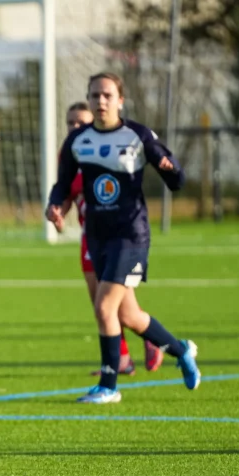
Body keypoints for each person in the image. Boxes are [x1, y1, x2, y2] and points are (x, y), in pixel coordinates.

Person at [46, 73, 200, 404]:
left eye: (107, 95)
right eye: (94, 95)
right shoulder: (77, 141)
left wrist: (169, 167)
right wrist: (55, 205)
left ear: (120, 100)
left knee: (104, 307)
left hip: (130, 235)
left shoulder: (137, 135)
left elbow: (177, 181)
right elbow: (63, 184)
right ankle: (181, 350)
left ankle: (109, 385)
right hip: (97, 236)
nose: (100, 101)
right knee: (129, 316)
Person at [62, 101, 163, 375]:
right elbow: (67, 192)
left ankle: (159, 342)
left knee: (118, 309)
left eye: (81, 122)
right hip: (90, 238)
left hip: (117, 238)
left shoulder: (105, 152)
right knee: (103, 306)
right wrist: (59, 210)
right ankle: (123, 359)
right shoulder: (71, 154)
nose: (75, 127)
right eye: (70, 122)